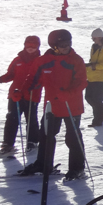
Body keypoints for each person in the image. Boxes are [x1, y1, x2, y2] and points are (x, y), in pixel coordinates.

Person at [16, 29, 88, 180]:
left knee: (72, 137)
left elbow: (82, 82)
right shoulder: (43, 61)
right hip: (52, 106)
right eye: (62, 44)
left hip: (71, 106)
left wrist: (67, 94)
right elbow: (33, 80)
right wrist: (21, 91)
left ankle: (77, 168)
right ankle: (43, 164)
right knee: (46, 135)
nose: (66, 47)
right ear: (54, 45)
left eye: (68, 43)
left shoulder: (76, 60)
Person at [0, 36, 42, 156]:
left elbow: (42, 79)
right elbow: (10, 75)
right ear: (24, 45)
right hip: (15, 95)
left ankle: (32, 141)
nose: (30, 48)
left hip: (31, 95)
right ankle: (8, 144)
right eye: (28, 45)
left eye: (33, 46)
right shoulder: (18, 60)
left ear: (37, 46)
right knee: (12, 118)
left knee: (31, 118)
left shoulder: (40, 61)